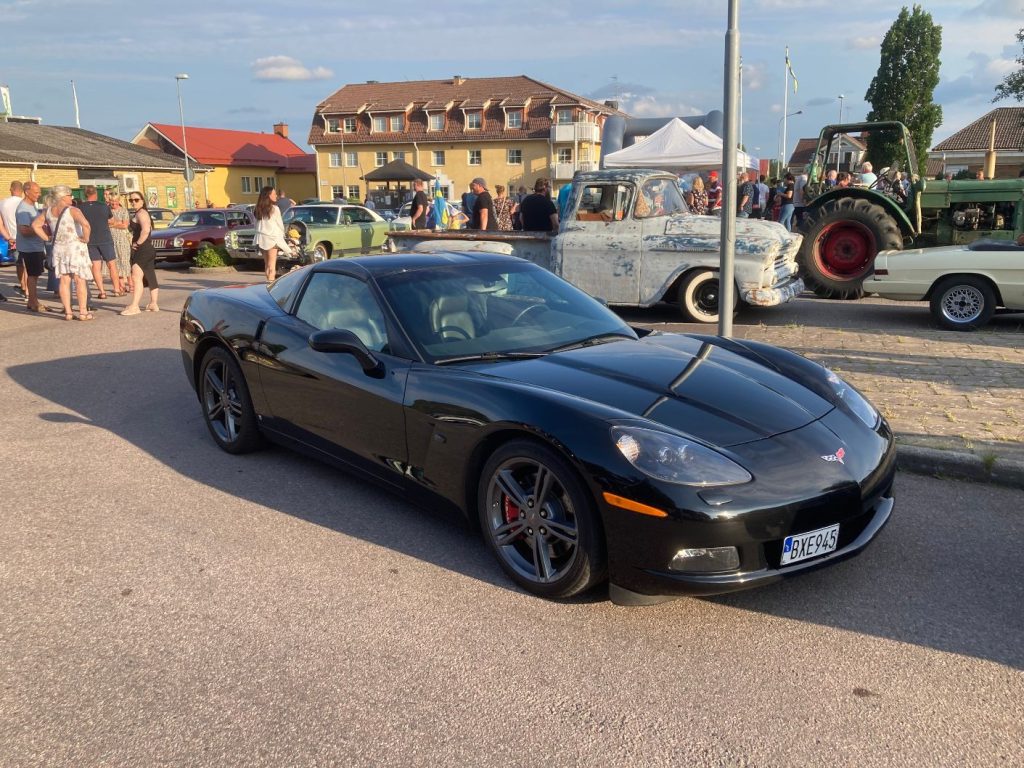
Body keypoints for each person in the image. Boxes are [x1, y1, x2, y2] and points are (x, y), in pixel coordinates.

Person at [32, 184, 93, 321]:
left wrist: (47, 238)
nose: (71, 197)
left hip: (59, 249)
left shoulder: (48, 211)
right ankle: (83, 312)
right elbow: (86, 224)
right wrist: (86, 238)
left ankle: (68, 312)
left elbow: (35, 225)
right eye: (69, 195)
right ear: (62, 197)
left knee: (64, 280)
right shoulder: (72, 210)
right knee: (79, 279)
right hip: (75, 247)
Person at [79, 185, 122, 298]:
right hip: (105, 238)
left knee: (96, 266)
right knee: (111, 264)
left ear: (85, 194)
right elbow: (111, 221)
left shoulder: (80, 208)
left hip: (90, 239)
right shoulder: (103, 206)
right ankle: (117, 289)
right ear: (96, 193)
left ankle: (102, 292)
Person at [120, 192, 159, 315]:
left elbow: (146, 230)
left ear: (142, 201)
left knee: (136, 277)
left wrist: (137, 243)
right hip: (147, 249)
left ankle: (135, 306)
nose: (133, 202)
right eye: (131, 200)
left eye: (136, 200)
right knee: (150, 276)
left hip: (143, 249)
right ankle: (153, 303)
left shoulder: (142, 213)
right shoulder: (140, 213)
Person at [15, 181, 50, 313]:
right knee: (33, 275)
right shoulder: (23, 209)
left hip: (35, 246)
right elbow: (24, 230)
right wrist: (40, 230)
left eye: (39, 191)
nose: (39, 194)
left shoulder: (31, 206)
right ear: (27, 192)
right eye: (36, 192)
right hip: (30, 247)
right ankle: (33, 302)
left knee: (34, 274)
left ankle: (32, 301)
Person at [254, 186, 289, 283]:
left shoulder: (257, 208)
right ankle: (270, 284)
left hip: (261, 238)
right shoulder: (275, 208)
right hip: (272, 238)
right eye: (274, 194)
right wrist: (283, 235)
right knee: (272, 265)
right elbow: (280, 224)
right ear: (268, 195)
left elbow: (255, 225)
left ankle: (268, 281)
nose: (276, 195)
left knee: (267, 264)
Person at [2, 181, 26, 301]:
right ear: (21, 190)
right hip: (26, 237)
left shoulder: (3, 203)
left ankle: (23, 286)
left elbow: (0, 224)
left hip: (12, 239)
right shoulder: (25, 203)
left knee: (19, 264)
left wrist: (8, 237)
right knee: (27, 263)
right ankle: (27, 290)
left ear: (11, 189)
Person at [108, 191, 133, 295]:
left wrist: (113, 224)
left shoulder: (123, 210)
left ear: (119, 200)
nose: (114, 204)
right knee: (116, 262)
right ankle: (121, 284)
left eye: (116, 201)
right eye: (112, 202)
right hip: (112, 238)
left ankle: (131, 283)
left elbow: (125, 225)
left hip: (122, 238)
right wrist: (118, 223)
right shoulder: (108, 210)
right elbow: (106, 223)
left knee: (125, 260)